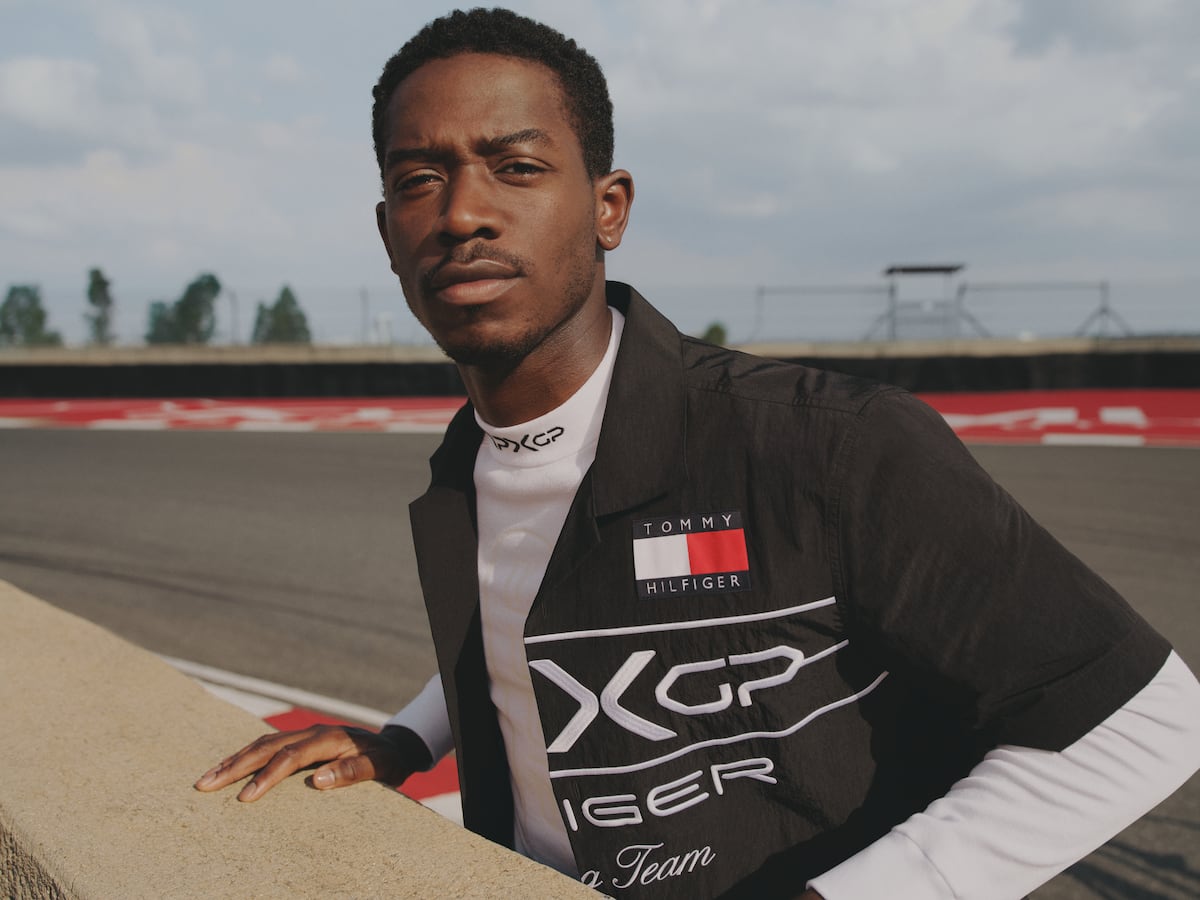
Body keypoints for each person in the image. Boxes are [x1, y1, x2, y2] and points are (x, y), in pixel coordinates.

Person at [196, 8, 1200, 898]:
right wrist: (405, 739)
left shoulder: (827, 442)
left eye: (517, 167)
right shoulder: (467, 467)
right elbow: (519, 633)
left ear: (609, 207)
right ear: (388, 234)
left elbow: (1148, 717)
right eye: (420, 180)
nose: (463, 212)